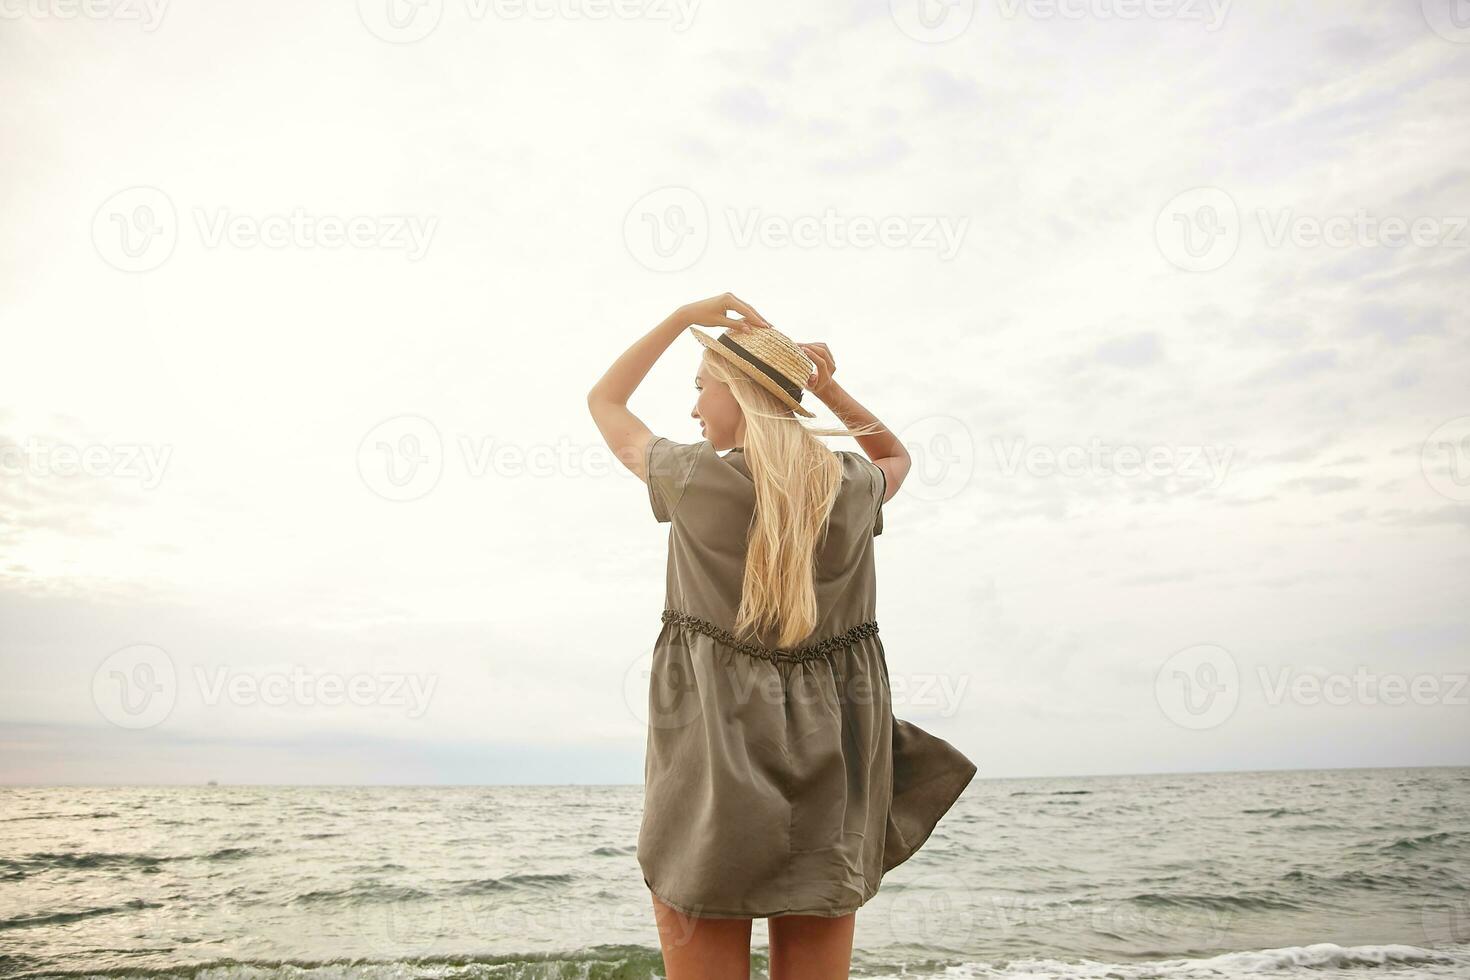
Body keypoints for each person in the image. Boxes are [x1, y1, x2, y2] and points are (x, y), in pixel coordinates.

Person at [587, 293, 977, 980]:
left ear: (738, 392)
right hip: (834, 774)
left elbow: (606, 402)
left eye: (702, 386)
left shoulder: (690, 477)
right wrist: (826, 390)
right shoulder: (852, 485)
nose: (694, 407)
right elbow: (896, 454)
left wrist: (683, 317)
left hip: (713, 774)